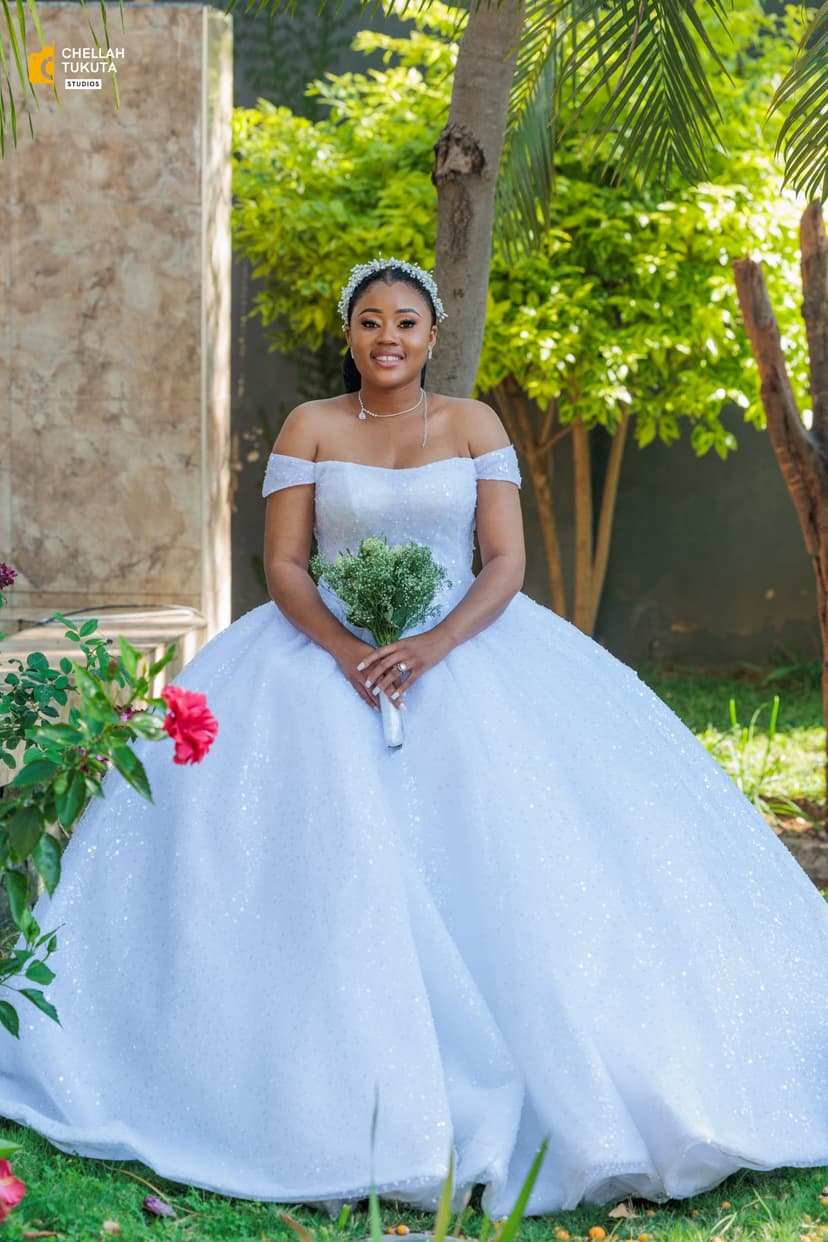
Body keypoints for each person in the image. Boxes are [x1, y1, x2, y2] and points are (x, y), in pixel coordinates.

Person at [1, 257, 827, 1218]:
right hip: (322, 656)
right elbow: (286, 564)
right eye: (369, 320)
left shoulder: (475, 425)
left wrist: (432, 645)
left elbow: (504, 561)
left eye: (404, 321)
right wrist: (349, 651)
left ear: (432, 336)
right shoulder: (310, 427)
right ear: (349, 335)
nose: (386, 336)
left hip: (466, 647)